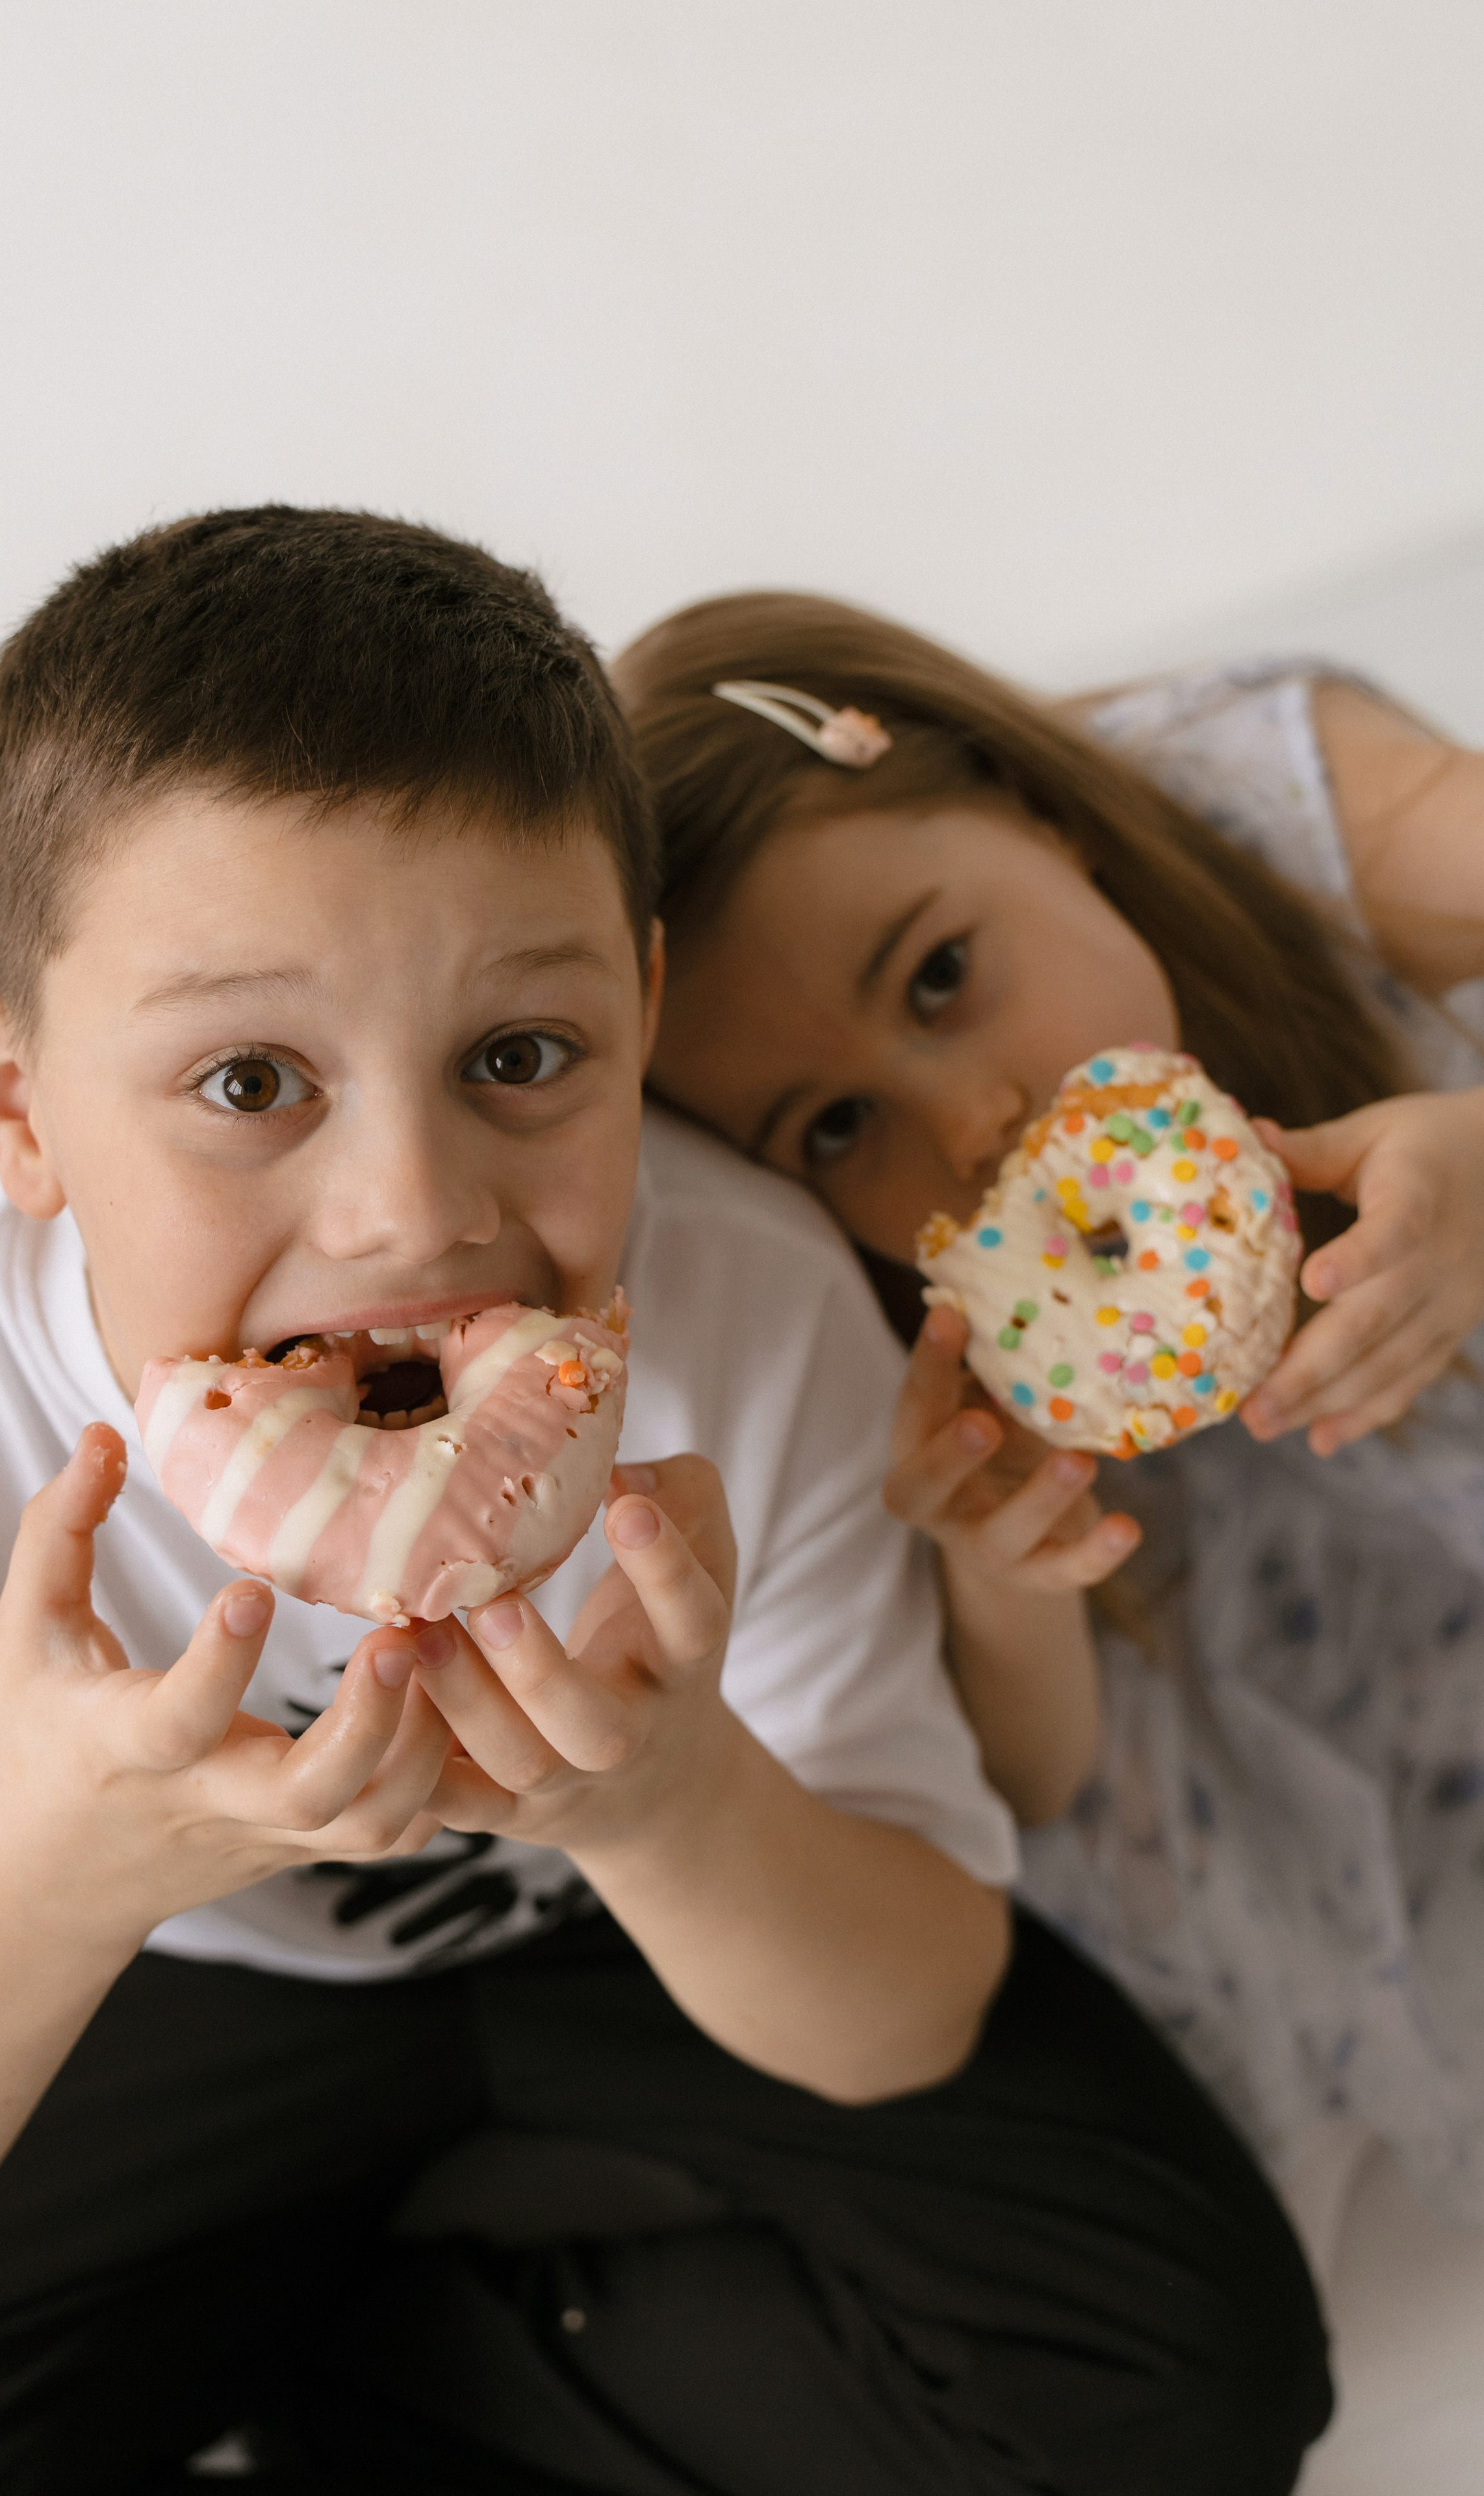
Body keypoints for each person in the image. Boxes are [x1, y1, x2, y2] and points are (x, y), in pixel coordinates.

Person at [0, 513, 1328, 2496]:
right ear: (14, 1103)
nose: (410, 1212)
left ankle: (403, 2364)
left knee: (1182, 2375)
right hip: (164, 1975)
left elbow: (914, 2000)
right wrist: (39, 1874)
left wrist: (669, 1796)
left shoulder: (746, 1302)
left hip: (640, 1917)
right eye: (252, 1083)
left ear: (637, 1011)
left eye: (520, 1058)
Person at [617, 588, 1484, 2263]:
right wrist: (1012, 1571)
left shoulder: (1304, 819)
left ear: (1034, 807)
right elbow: (1049, 1783)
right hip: (1302, 1650)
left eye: (942, 975)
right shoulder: (867, 1317)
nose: (972, 1127)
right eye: (839, 1125)